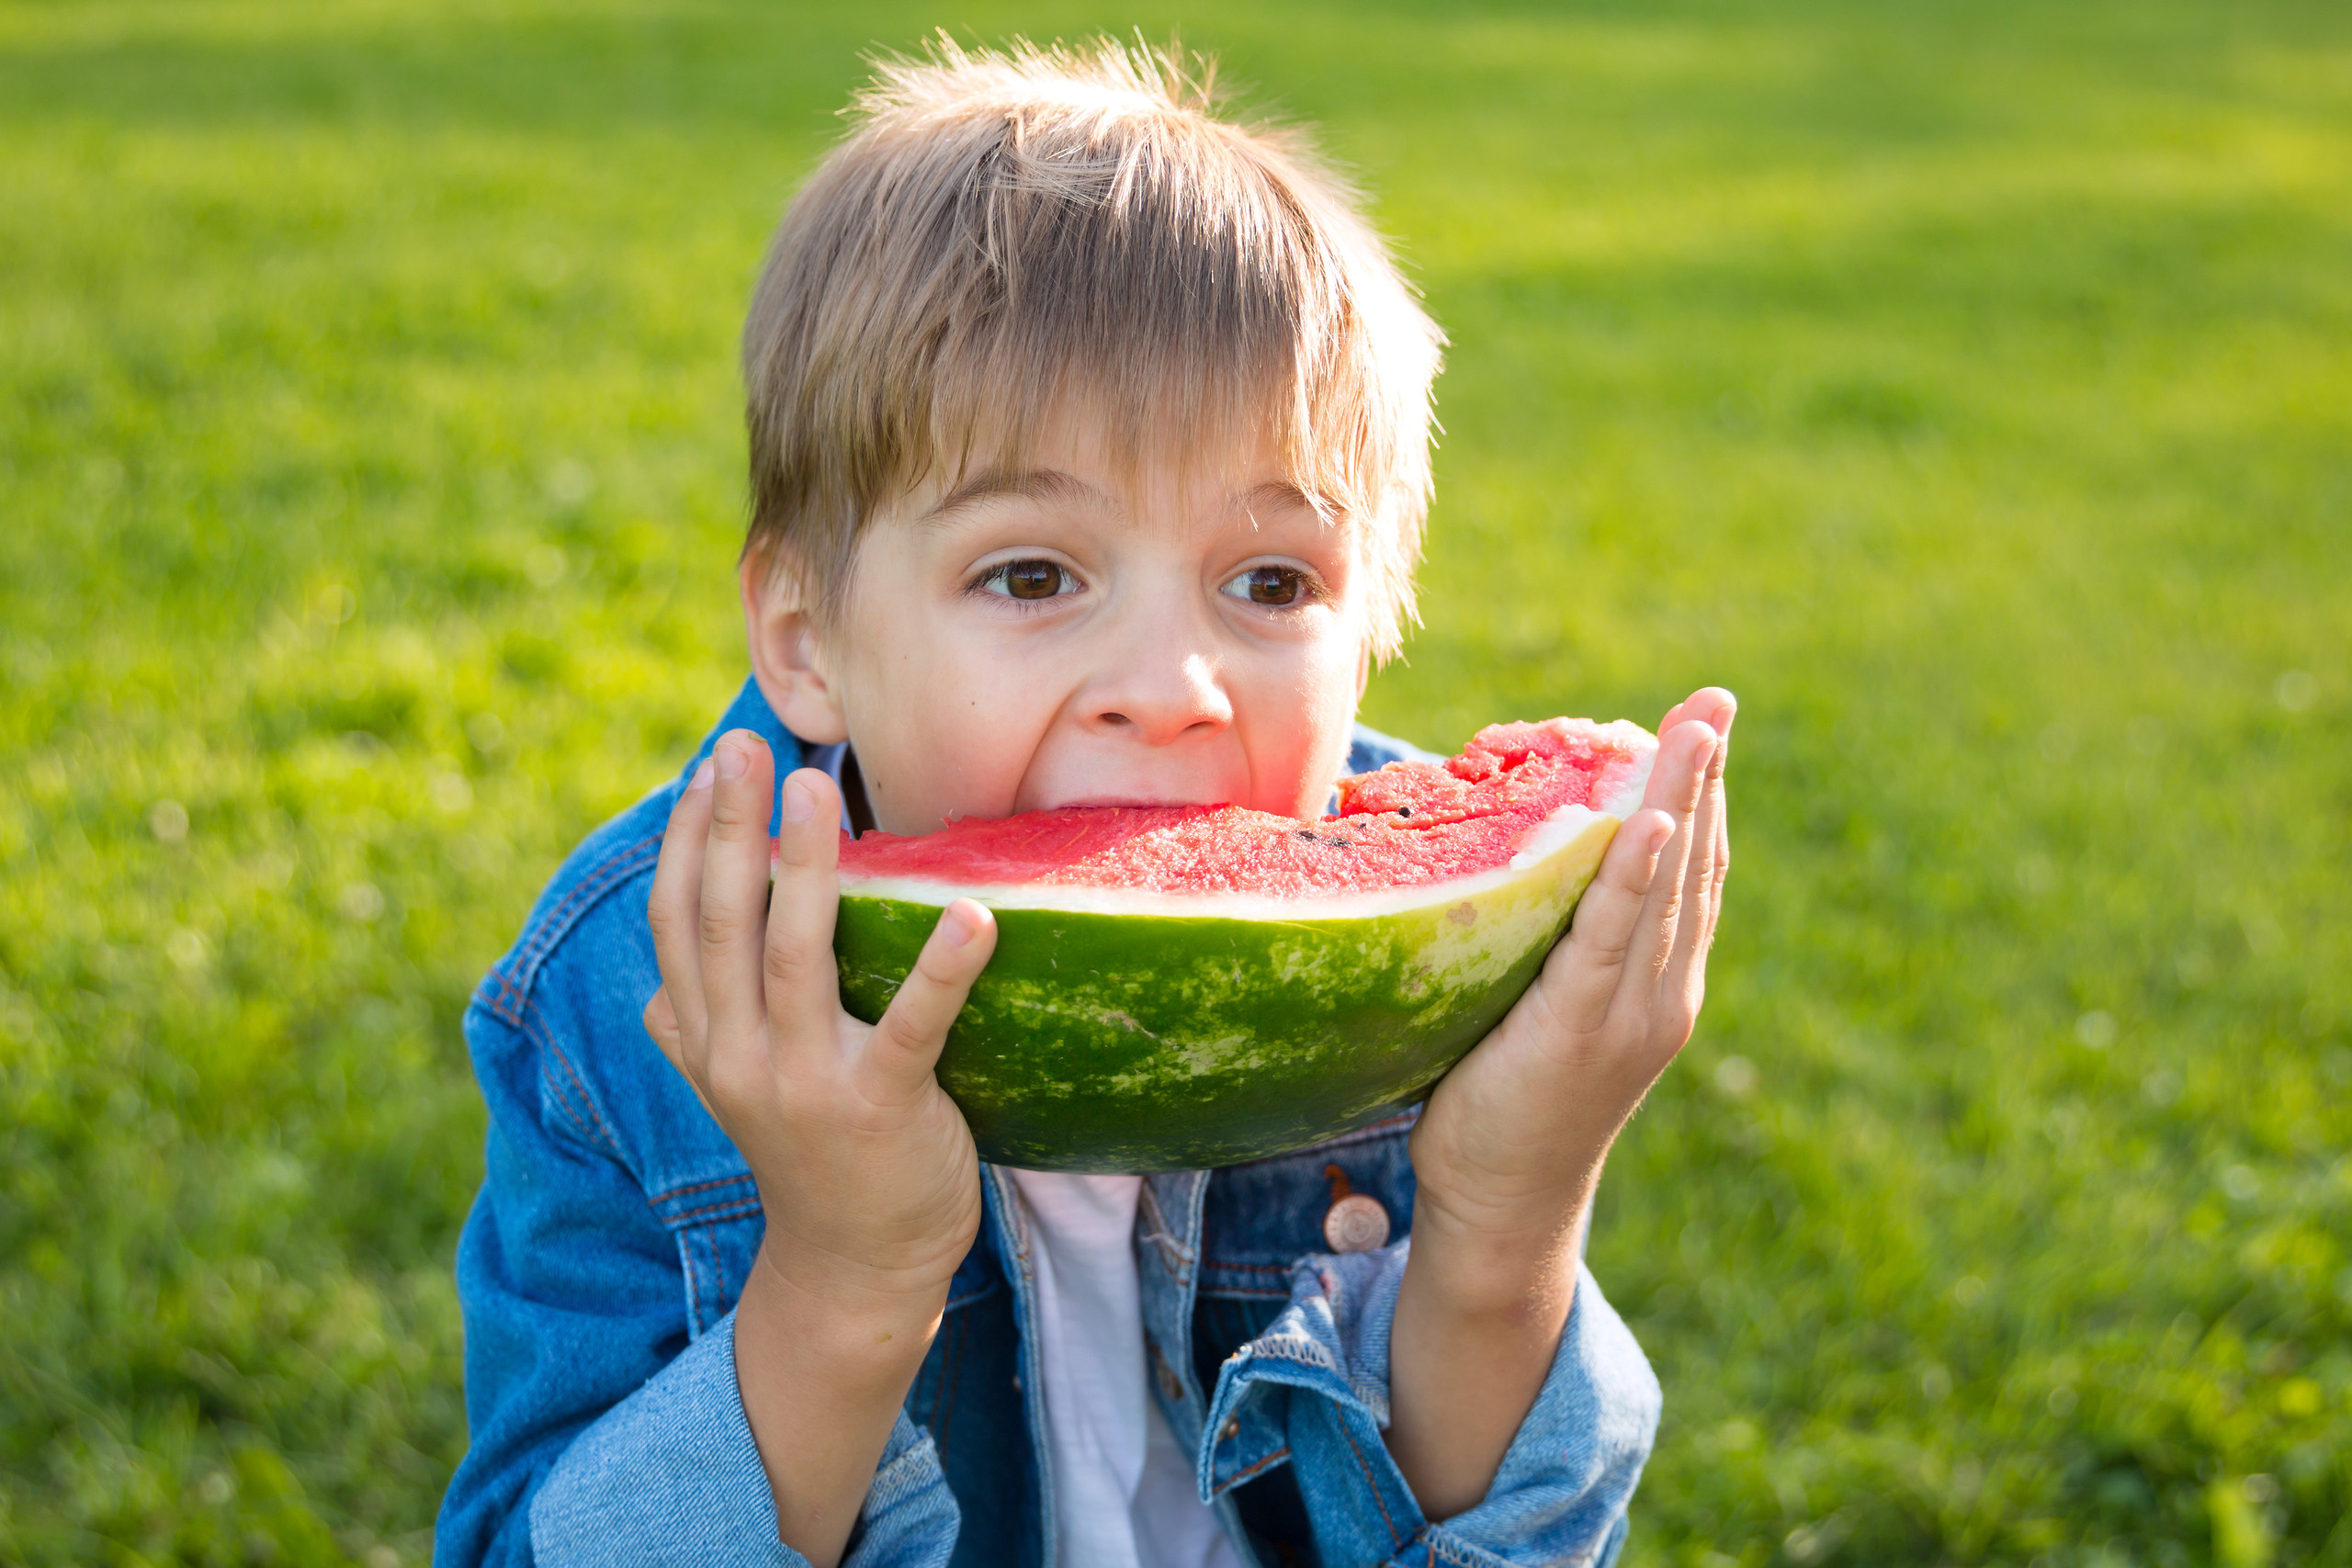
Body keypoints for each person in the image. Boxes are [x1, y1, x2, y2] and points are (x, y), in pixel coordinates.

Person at [435, 35, 1734, 1568]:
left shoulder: (1435, 944)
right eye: (1033, 574)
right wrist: (846, 1285)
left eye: (1272, 580)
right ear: (806, 641)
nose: (1172, 683)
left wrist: (1510, 1219)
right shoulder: (631, 998)